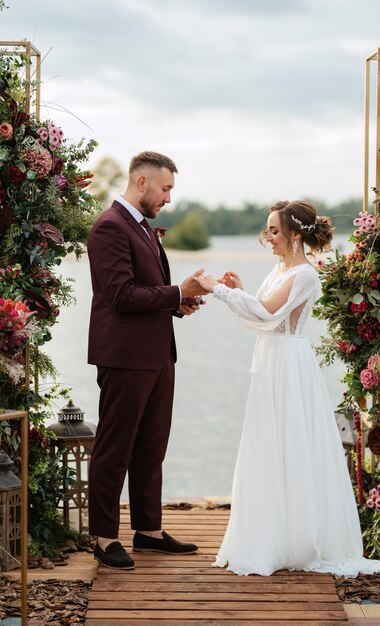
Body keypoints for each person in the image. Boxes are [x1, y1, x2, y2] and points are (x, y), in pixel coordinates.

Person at [195, 200, 380, 577]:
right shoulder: (279, 269)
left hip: (289, 364)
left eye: (273, 231)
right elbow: (262, 317)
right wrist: (240, 291)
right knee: (267, 443)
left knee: (291, 442)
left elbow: (267, 314)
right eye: (267, 230)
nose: (268, 237)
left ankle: (296, 539)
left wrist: (219, 291)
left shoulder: (305, 274)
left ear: (294, 234)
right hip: (270, 360)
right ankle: (271, 536)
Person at [87, 151, 207, 570]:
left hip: (157, 354)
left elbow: (144, 290)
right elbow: (120, 295)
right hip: (124, 357)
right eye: (165, 188)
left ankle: (148, 531)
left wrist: (178, 304)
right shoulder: (109, 227)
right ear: (141, 183)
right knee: (114, 448)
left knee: (151, 446)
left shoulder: (140, 227)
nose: (168, 199)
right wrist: (176, 291)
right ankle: (104, 538)